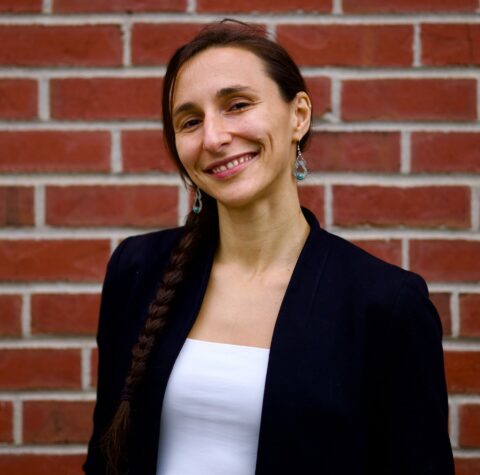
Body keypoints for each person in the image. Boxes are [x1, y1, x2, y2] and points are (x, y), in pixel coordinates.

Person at [83, 20, 454, 475]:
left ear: (298, 115)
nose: (214, 138)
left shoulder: (385, 304)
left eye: (237, 105)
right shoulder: (137, 271)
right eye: (190, 121)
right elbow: (104, 460)